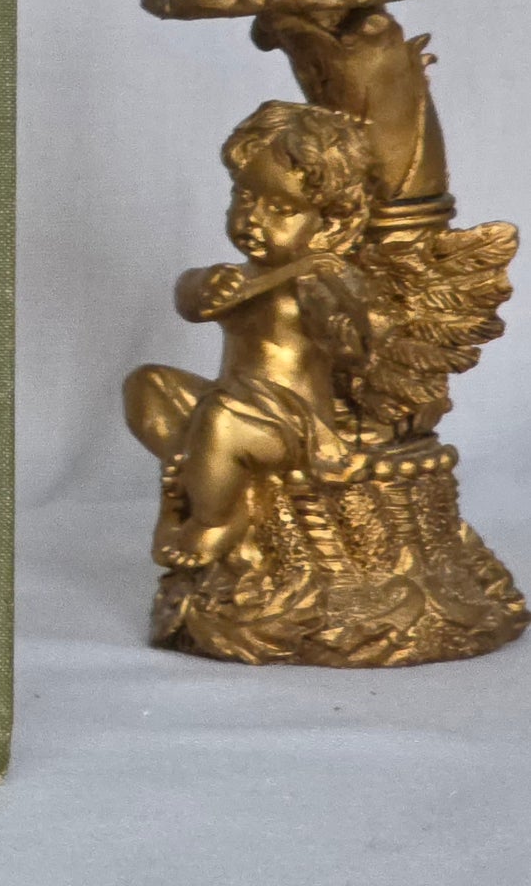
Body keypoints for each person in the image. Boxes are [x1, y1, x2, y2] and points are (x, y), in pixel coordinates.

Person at [124, 100, 374, 568]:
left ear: (331, 223)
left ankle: (214, 519)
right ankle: (203, 472)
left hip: (291, 423)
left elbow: (360, 340)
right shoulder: (239, 277)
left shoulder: (323, 279)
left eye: (281, 208)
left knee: (221, 420)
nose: (252, 218)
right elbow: (190, 302)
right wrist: (203, 286)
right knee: (147, 384)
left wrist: (341, 309)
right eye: (244, 196)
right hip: (231, 402)